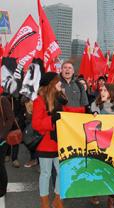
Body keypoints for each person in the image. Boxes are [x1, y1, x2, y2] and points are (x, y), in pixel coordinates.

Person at [32, 72, 67, 208]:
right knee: (45, 174)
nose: (61, 83)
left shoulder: (60, 98)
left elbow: (68, 113)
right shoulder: (39, 101)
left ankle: (58, 200)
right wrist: (51, 120)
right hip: (45, 144)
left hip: (59, 143)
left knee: (61, 172)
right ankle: (44, 203)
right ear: (52, 84)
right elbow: (36, 124)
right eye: (58, 81)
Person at [90, 83, 114, 208]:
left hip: (113, 145)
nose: (102, 92)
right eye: (101, 90)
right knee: (98, 169)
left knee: (112, 171)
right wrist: (95, 112)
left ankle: (112, 198)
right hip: (99, 144)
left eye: (105, 90)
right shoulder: (96, 105)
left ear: (112, 92)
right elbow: (93, 107)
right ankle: (95, 191)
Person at [0, 90, 15, 199]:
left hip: (1, 140)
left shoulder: (3, 100)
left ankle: (2, 189)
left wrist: (2, 136)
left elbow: (10, 119)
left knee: (0, 165)